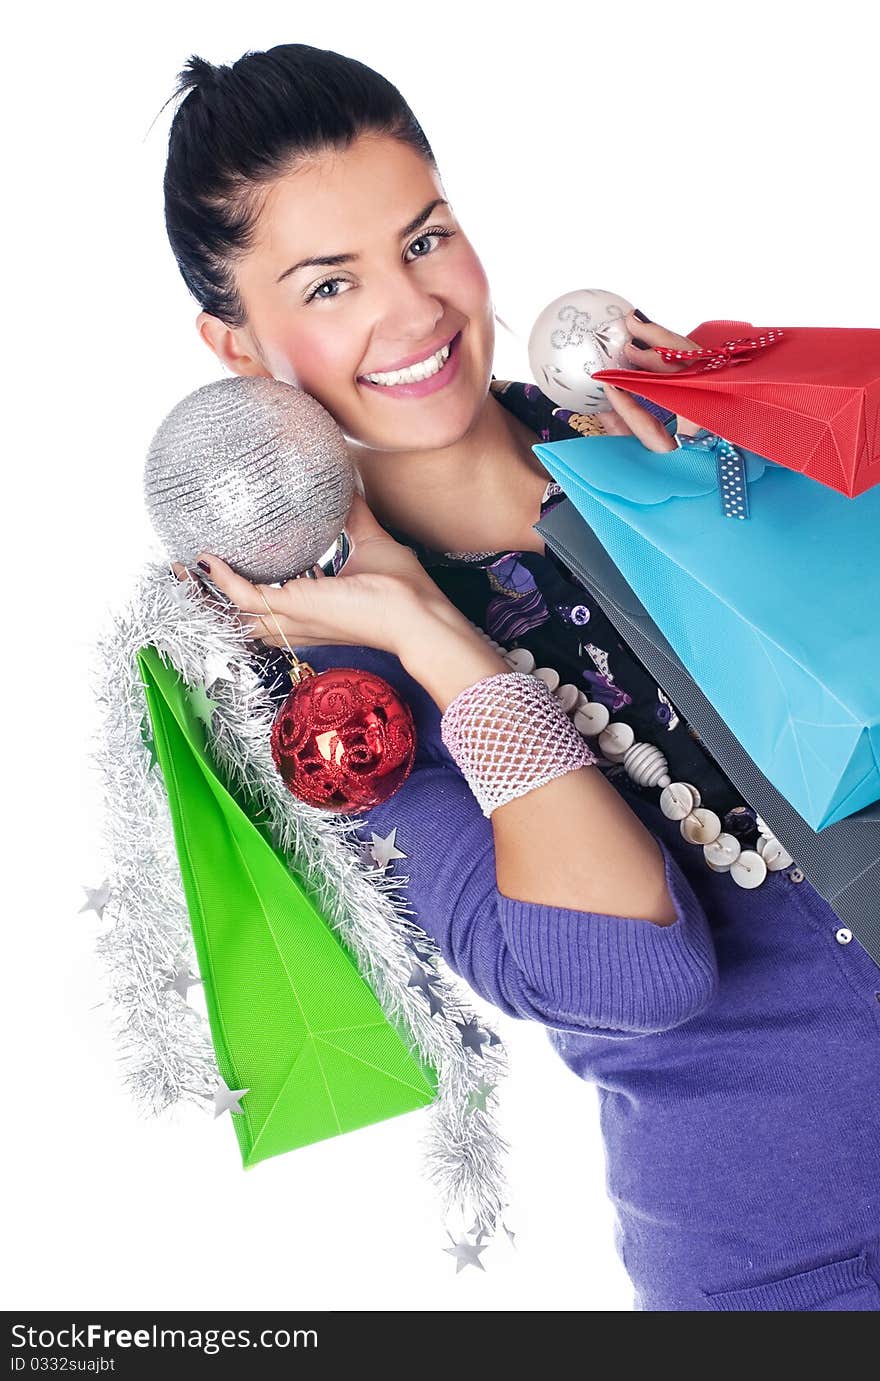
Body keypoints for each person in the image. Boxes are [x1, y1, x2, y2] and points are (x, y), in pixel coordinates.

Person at [162, 43, 880, 1311]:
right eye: (329, 284)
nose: (412, 312)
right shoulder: (337, 705)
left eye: (424, 240)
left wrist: (752, 415)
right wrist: (440, 641)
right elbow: (627, 978)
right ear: (237, 343)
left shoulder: (670, 431)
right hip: (805, 1264)